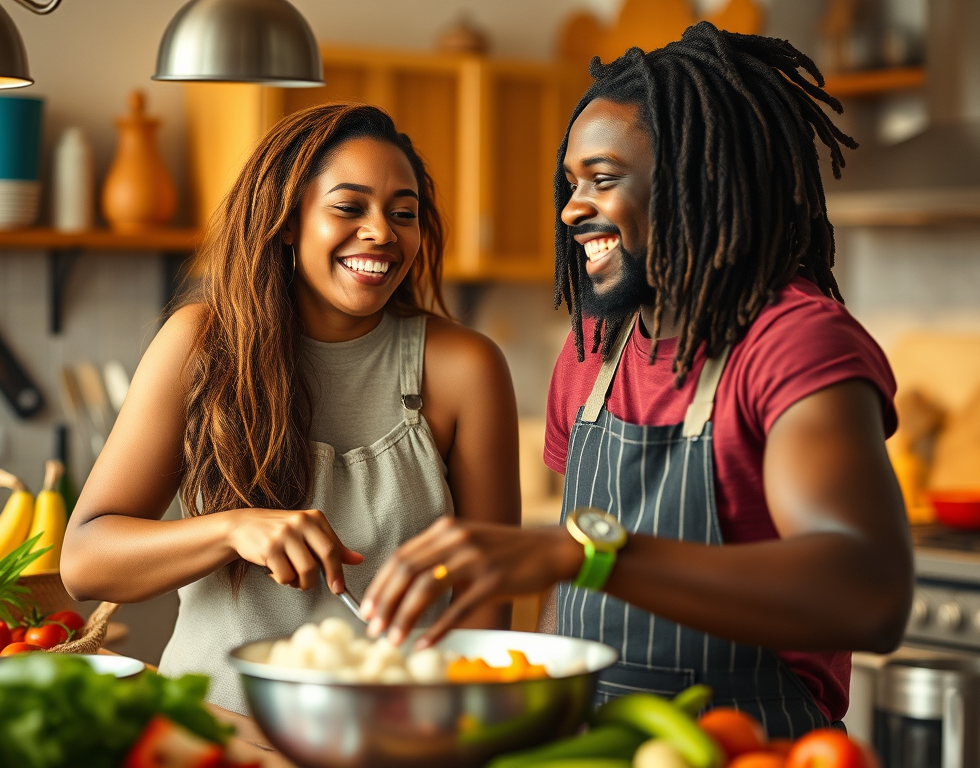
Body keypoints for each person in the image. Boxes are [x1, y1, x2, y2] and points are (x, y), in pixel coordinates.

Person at [359, 23, 913, 737]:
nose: (571, 209)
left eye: (603, 179)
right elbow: (574, 595)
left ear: (693, 178)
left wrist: (591, 555)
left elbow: (868, 594)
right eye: (570, 183)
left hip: (749, 745)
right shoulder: (593, 353)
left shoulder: (793, 343)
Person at [60, 103, 521, 714]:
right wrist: (232, 528)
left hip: (394, 741)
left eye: (402, 213)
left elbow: (488, 597)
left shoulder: (466, 368)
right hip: (213, 732)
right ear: (285, 220)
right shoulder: (199, 344)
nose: (382, 232)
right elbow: (87, 562)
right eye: (349, 207)